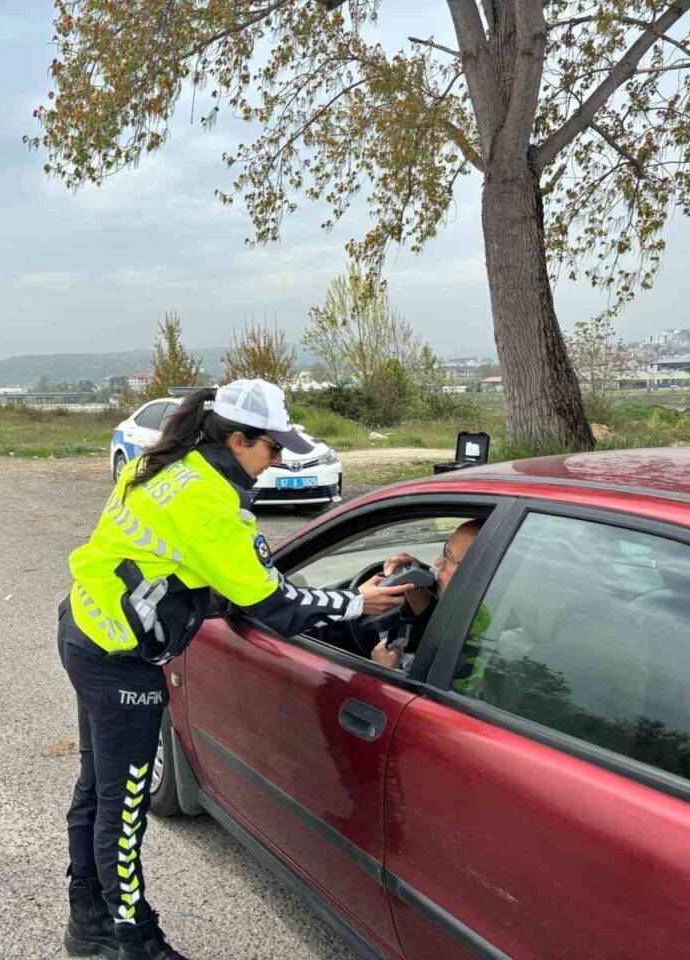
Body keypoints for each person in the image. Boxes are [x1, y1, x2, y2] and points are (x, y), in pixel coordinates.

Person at [58, 379, 412, 960]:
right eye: (272, 450)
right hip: (121, 661)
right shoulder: (213, 506)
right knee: (121, 813)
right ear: (240, 439)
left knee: (97, 791)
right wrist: (357, 602)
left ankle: (89, 923)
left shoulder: (161, 464)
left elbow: (180, 565)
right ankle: (135, 942)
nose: (275, 463)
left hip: (84, 627)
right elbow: (275, 605)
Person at [370, 519, 482, 671]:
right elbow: (431, 616)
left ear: (477, 573)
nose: (437, 562)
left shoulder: (470, 646)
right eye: (444, 551)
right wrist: (414, 573)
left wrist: (387, 672)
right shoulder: (474, 611)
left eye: (448, 558)